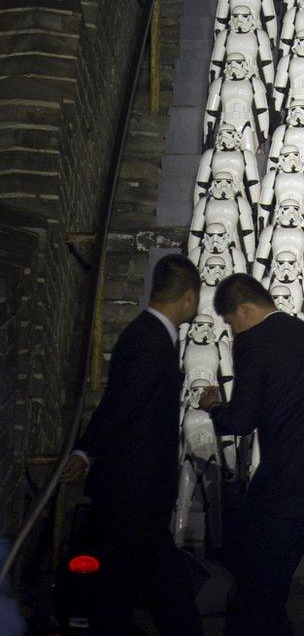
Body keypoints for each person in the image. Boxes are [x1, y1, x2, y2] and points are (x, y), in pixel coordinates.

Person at [198, 274, 304, 636]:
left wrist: (215, 407)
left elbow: (243, 420)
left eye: (230, 323)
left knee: (264, 591)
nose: (232, 332)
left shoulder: (253, 344)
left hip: (285, 492)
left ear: (243, 311)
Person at [61, 252, 204, 635]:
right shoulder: (150, 342)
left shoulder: (147, 335)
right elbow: (121, 405)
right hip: (134, 487)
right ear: (189, 297)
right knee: (145, 582)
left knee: (133, 582)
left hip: (137, 489)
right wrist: (86, 449)